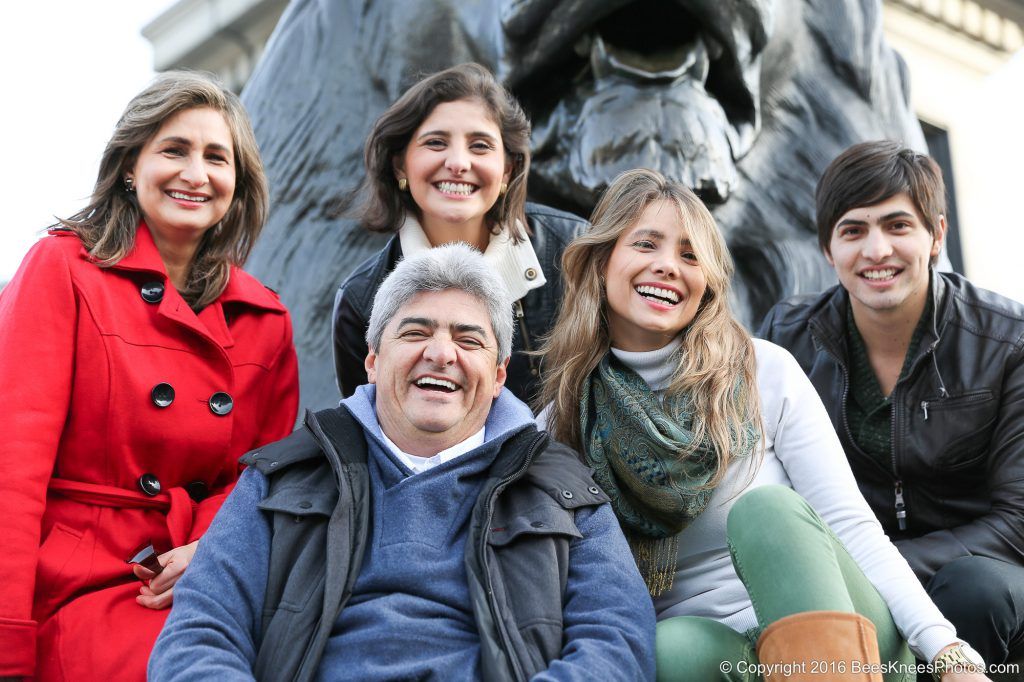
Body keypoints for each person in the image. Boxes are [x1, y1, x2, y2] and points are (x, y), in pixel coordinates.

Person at [538, 168, 988, 681]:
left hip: (851, 637)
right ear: (601, 262)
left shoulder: (761, 371)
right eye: (646, 244)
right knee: (666, 648)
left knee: (766, 513)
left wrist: (947, 650)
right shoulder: (565, 421)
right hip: (727, 656)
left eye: (690, 255)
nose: (668, 267)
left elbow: (852, 526)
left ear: (706, 279)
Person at [149, 243, 654, 681]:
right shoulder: (283, 477)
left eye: (468, 338)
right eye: (415, 332)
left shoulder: (562, 490)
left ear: (499, 375)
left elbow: (618, 640)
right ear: (372, 361)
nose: (441, 353)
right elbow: (199, 633)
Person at [0, 71, 300, 681]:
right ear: (130, 167)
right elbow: (12, 468)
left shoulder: (264, 317)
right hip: (71, 585)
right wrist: (7, 640)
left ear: (236, 185)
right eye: (174, 150)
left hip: (195, 575)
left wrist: (212, 548)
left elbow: (261, 478)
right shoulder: (63, 268)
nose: (196, 173)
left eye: (217, 157)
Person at [760, 140, 1024, 669]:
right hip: (844, 571)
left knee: (972, 590)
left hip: (983, 571)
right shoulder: (784, 340)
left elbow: (1017, 521)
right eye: (853, 230)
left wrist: (891, 567)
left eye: (897, 225)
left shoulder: (1007, 341)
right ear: (828, 249)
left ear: (936, 235)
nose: (876, 250)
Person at [332, 62, 587, 405]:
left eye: (480, 146)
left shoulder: (574, 252)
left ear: (508, 169)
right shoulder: (360, 302)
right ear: (400, 164)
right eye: (436, 142)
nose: (458, 163)